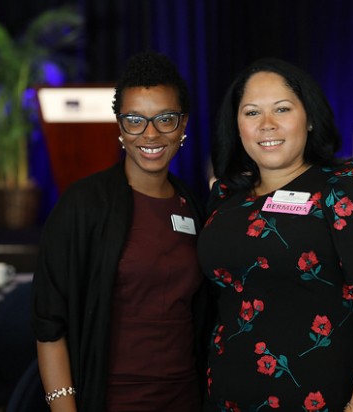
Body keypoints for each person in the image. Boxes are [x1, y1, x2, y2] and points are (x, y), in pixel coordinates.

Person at [197, 58, 353, 412]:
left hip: (326, 402)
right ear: (237, 126)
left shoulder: (348, 184)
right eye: (252, 112)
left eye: (282, 109)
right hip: (225, 402)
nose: (267, 124)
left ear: (310, 118)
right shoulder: (226, 196)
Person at [32, 51, 210, 411]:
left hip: (185, 398)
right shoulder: (84, 204)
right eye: (135, 120)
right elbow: (49, 326)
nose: (150, 133)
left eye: (165, 119)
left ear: (183, 125)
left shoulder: (193, 205)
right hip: (111, 399)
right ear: (119, 126)